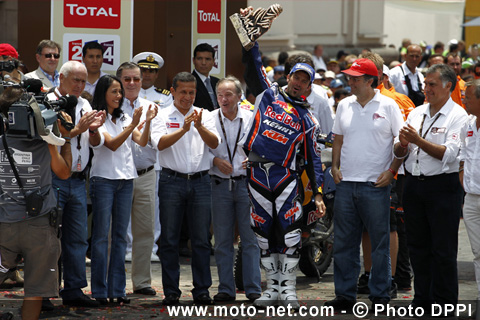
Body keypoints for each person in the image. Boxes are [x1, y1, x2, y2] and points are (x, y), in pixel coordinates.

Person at [239, 14, 326, 307]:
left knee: (289, 233)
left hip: (285, 178)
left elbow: (314, 160)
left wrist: (318, 194)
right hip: (255, 174)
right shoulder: (267, 95)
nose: (299, 83)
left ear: (310, 87)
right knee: (262, 232)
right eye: (296, 77)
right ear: (287, 77)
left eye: (305, 81)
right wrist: (252, 43)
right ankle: (270, 289)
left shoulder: (309, 119)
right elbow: (254, 66)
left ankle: (287, 289)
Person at [324, 58, 404, 311]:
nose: (350, 82)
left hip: (376, 185)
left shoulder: (389, 105)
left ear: (370, 81)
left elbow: (401, 143)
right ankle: (345, 295)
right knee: (344, 244)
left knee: (380, 243)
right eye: (349, 78)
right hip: (346, 184)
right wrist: (334, 167)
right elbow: (338, 139)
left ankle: (380, 294)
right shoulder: (344, 104)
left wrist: (392, 171)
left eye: (355, 78)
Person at [393, 64, 468, 312]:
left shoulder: (458, 116)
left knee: (443, 249)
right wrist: (402, 146)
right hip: (414, 185)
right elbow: (400, 148)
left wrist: (417, 141)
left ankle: (445, 303)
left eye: (432, 84)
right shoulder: (417, 112)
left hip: (442, 188)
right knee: (417, 246)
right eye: (425, 84)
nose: (426, 89)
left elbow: (449, 155)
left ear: (448, 86)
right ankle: (422, 300)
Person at [0, 87, 72, 320]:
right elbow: (63, 172)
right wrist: (61, 138)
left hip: (4, 225)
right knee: (34, 292)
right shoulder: (45, 142)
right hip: (40, 225)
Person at [151, 72, 220, 306]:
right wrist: (182, 129)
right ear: (173, 91)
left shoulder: (205, 115)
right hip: (171, 181)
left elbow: (214, 144)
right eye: (183, 92)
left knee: (201, 240)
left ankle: (202, 290)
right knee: (169, 240)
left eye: (192, 92)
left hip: (201, 182)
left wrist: (198, 127)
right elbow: (159, 143)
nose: (188, 97)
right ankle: (171, 291)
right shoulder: (161, 115)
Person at [89, 74, 156, 305]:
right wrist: (135, 124)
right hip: (104, 180)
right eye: (114, 92)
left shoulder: (125, 116)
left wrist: (146, 121)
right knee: (100, 238)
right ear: (103, 94)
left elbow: (142, 141)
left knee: (119, 238)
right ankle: (99, 291)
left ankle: (117, 290)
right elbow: (113, 144)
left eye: (120, 92)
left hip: (127, 180)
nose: (119, 96)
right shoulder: (98, 117)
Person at [46, 61, 105, 308]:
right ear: (61, 78)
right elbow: (46, 139)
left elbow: (96, 142)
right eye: (75, 80)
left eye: (83, 81)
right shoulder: (47, 101)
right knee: (49, 240)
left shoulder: (85, 103)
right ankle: (45, 291)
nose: (80, 86)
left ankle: (73, 289)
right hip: (53, 179)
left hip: (79, 179)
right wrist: (75, 130)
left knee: (77, 239)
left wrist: (92, 131)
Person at [209, 76, 262, 303]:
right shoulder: (209, 119)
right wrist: (214, 161)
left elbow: (263, 148)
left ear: (239, 97)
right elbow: (198, 149)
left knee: (250, 239)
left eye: (228, 94)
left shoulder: (251, 119)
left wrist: (253, 161)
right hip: (219, 185)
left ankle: (253, 289)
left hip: (246, 184)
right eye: (220, 94)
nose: (224, 99)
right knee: (222, 240)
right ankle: (226, 289)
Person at [117, 62, 158, 295]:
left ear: (142, 81)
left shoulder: (153, 106)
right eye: (127, 79)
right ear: (120, 80)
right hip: (119, 176)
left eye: (136, 79)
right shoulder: (112, 105)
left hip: (145, 175)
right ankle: (115, 283)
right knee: (117, 232)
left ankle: (142, 282)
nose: (131, 83)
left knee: (145, 232)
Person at [460, 79, 480, 304]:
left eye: (469, 97)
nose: (464, 99)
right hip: (472, 199)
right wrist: (462, 177)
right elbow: (462, 155)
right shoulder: (467, 124)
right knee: (477, 252)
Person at [192, 43, 219, 111]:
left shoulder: (218, 82)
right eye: (199, 58)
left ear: (213, 61)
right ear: (193, 60)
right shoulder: (188, 82)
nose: (203, 63)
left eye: (207, 59)